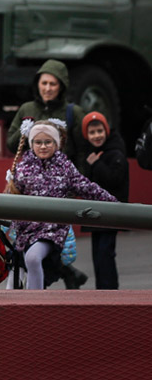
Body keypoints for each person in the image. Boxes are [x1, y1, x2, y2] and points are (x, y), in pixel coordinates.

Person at [4, 119, 115, 290]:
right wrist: (0, 224)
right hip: (26, 230)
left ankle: (34, 304)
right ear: (31, 144)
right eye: (38, 142)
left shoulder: (64, 167)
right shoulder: (23, 168)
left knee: (33, 258)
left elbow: (86, 187)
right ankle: (28, 300)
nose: (43, 146)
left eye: (48, 142)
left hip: (52, 228)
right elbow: (10, 199)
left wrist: (114, 203)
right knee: (18, 270)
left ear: (56, 144)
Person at [80, 111, 129, 289]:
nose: (97, 136)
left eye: (100, 131)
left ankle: (110, 292)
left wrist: (96, 164)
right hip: (96, 214)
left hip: (110, 214)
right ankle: (102, 291)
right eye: (92, 133)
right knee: (98, 256)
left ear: (106, 131)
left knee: (105, 254)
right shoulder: (92, 153)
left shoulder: (115, 152)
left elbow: (114, 179)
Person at [5, 60, 87, 164]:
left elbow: (83, 152)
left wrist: (78, 178)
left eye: (52, 84)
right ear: (37, 84)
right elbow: (11, 146)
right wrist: (24, 129)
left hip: (64, 175)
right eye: (44, 83)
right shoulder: (26, 109)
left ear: (61, 86)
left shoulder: (74, 112)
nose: (47, 89)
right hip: (33, 175)